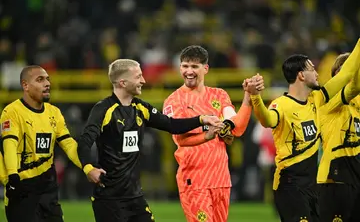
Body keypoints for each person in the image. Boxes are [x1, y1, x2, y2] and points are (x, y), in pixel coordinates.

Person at [77, 59, 223, 222]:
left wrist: (201, 119)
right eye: (138, 76)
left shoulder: (141, 108)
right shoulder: (104, 109)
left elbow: (171, 124)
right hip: (109, 199)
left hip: (135, 198)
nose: (143, 81)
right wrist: (89, 168)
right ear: (123, 82)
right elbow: (84, 141)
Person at [245, 39, 360, 222]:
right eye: (312, 68)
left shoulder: (317, 99)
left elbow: (346, 75)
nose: (317, 73)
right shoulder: (282, 104)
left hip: (312, 186)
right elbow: (267, 120)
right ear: (301, 75)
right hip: (290, 184)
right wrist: (255, 97)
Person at [162, 45, 257, 222]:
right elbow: (179, 138)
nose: (189, 71)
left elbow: (237, 127)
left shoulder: (219, 95)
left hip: (221, 179)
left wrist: (248, 96)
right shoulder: (174, 101)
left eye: (194, 66)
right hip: (194, 179)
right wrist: (206, 136)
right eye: (185, 66)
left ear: (205, 69)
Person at [0, 65, 83, 222]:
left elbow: (69, 145)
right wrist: (12, 177)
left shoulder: (54, 113)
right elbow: (9, 145)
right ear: (25, 85)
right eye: (40, 80)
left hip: (48, 189)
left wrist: (88, 167)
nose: (47, 83)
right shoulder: (12, 112)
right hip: (22, 189)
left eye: (47, 79)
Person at [317, 52, 360, 222]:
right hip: (334, 178)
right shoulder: (329, 99)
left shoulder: (357, 105)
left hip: (355, 177)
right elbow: (353, 87)